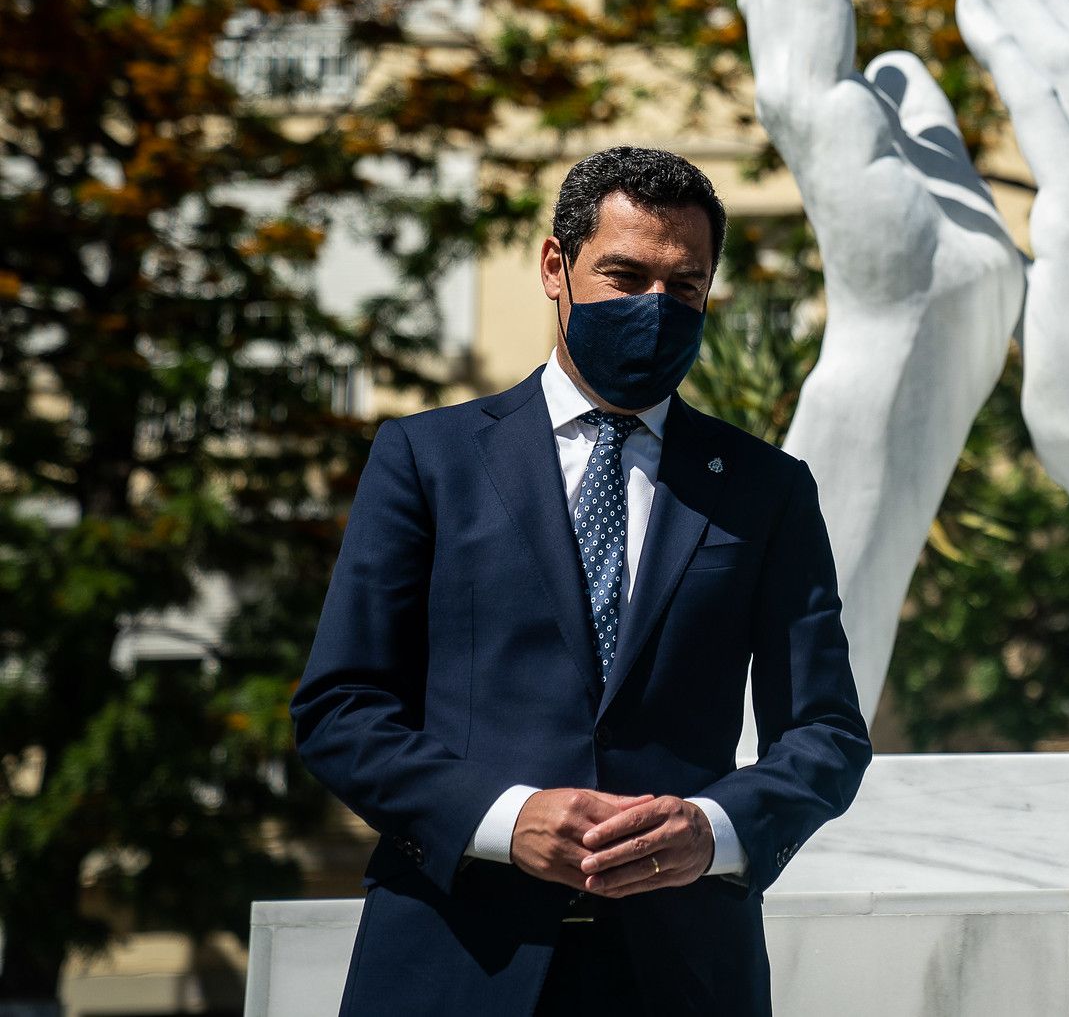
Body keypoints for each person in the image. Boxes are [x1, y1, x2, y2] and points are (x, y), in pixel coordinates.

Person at [292, 146, 870, 1016]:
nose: (656, 306)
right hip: (454, 961)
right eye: (625, 275)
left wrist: (714, 830)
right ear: (554, 268)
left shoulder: (767, 489)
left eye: (685, 286)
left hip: (683, 973)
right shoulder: (426, 459)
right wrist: (504, 817)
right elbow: (341, 708)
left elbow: (825, 731)